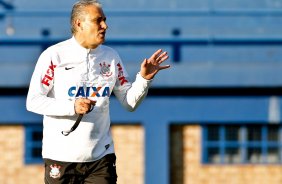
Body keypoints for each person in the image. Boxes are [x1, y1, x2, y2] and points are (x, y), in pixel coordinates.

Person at [26, 0, 170, 183]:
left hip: (101, 159)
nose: (105, 26)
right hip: (60, 157)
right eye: (98, 20)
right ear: (79, 23)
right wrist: (72, 106)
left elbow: (129, 102)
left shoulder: (111, 57)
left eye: (105, 20)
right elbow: (33, 101)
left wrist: (144, 79)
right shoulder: (54, 56)